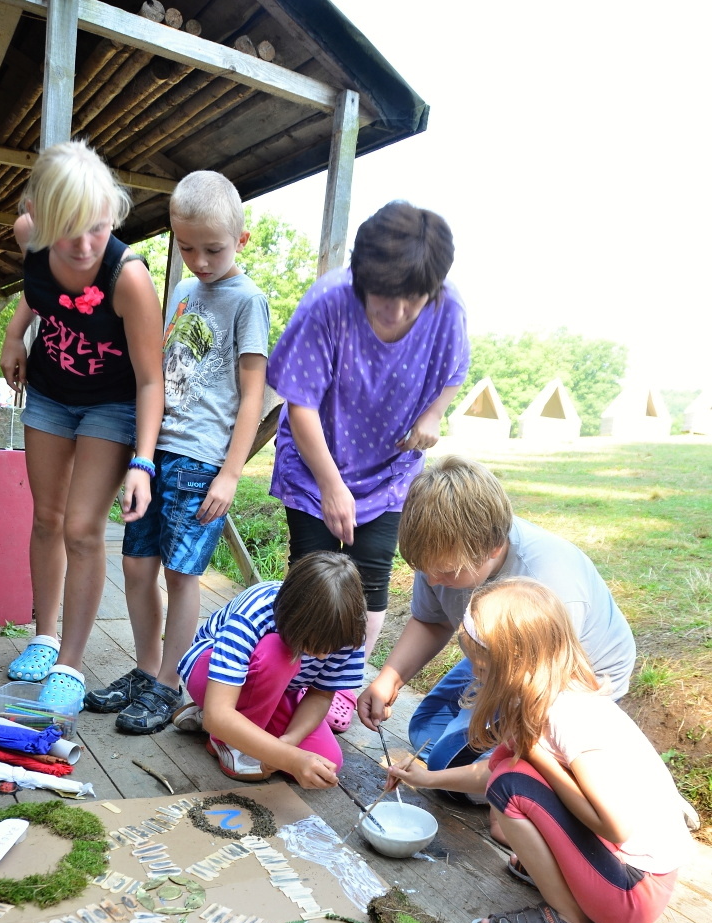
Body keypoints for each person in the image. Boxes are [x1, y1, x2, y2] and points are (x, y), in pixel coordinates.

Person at [388, 578, 691, 923]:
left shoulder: (570, 716)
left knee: (510, 786)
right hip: (622, 873)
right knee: (508, 775)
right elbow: (492, 769)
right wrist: (426, 778)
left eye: (481, 666)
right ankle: (565, 878)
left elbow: (615, 826)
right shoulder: (540, 698)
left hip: (634, 891)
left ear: (512, 663)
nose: (476, 675)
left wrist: (538, 757)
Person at [83, 170, 269, 734]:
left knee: (182, 573)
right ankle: (146, 669)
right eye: (186, 248)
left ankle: (170, 681)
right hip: (157, 452)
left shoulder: (249, 301)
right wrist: (142, 456)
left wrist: (230, 475)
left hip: (202, 460)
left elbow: (253, 394)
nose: (199, 261)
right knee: (136, 564)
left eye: (213, 249)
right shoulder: (184, 293)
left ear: (241, 240)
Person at [267, 201, 470, 684]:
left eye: (412, 300)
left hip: (389, 470)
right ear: (361, 278)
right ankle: (290, 680)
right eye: (383, 298)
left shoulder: (447, 308)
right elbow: (300, 404)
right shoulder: (328, 303)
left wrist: (433, 414)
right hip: (316, 462)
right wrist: (331, 485)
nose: (396, 313)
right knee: (312, 573)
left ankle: (339, 686)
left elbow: (455, 372)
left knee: (370, 579)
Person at [0, 141, 164, 711]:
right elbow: (37, 291)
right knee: (46, 517)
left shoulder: (128, 278)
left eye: (97, 227)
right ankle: (45, 637)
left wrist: (143, 462)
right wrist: (13, 333)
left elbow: (151, 380)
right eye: (69, 232)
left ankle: (70, 664)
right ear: (40, 218)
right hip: (49, 391)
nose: (86, 245)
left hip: (111, 405)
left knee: (82, 527)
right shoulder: (29, 236)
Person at [359, 456, 636, 780]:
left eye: (446, 571)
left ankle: (566, 768)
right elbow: (433, 621)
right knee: (425, 729)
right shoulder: (440, 555)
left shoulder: (547, 579)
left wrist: (441, 779)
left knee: (450, 764)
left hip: (560, 680)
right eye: (424, 569)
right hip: (497, 656)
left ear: (493, 547)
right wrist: (388, 680)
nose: (433, 580)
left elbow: (542, 686)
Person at [176, 552, 366, 788]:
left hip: (277, 691)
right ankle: (225, 741)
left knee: (326, 762)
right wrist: (290, 758)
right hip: (211, 675)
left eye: (333, 648)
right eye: (312, 645)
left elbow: (320, 695)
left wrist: (289, 742)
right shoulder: (257, 610)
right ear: (291, 617)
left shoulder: (349, 628)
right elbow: (219, 714)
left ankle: (230, 723)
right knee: (278, 654)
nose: (322, 656)